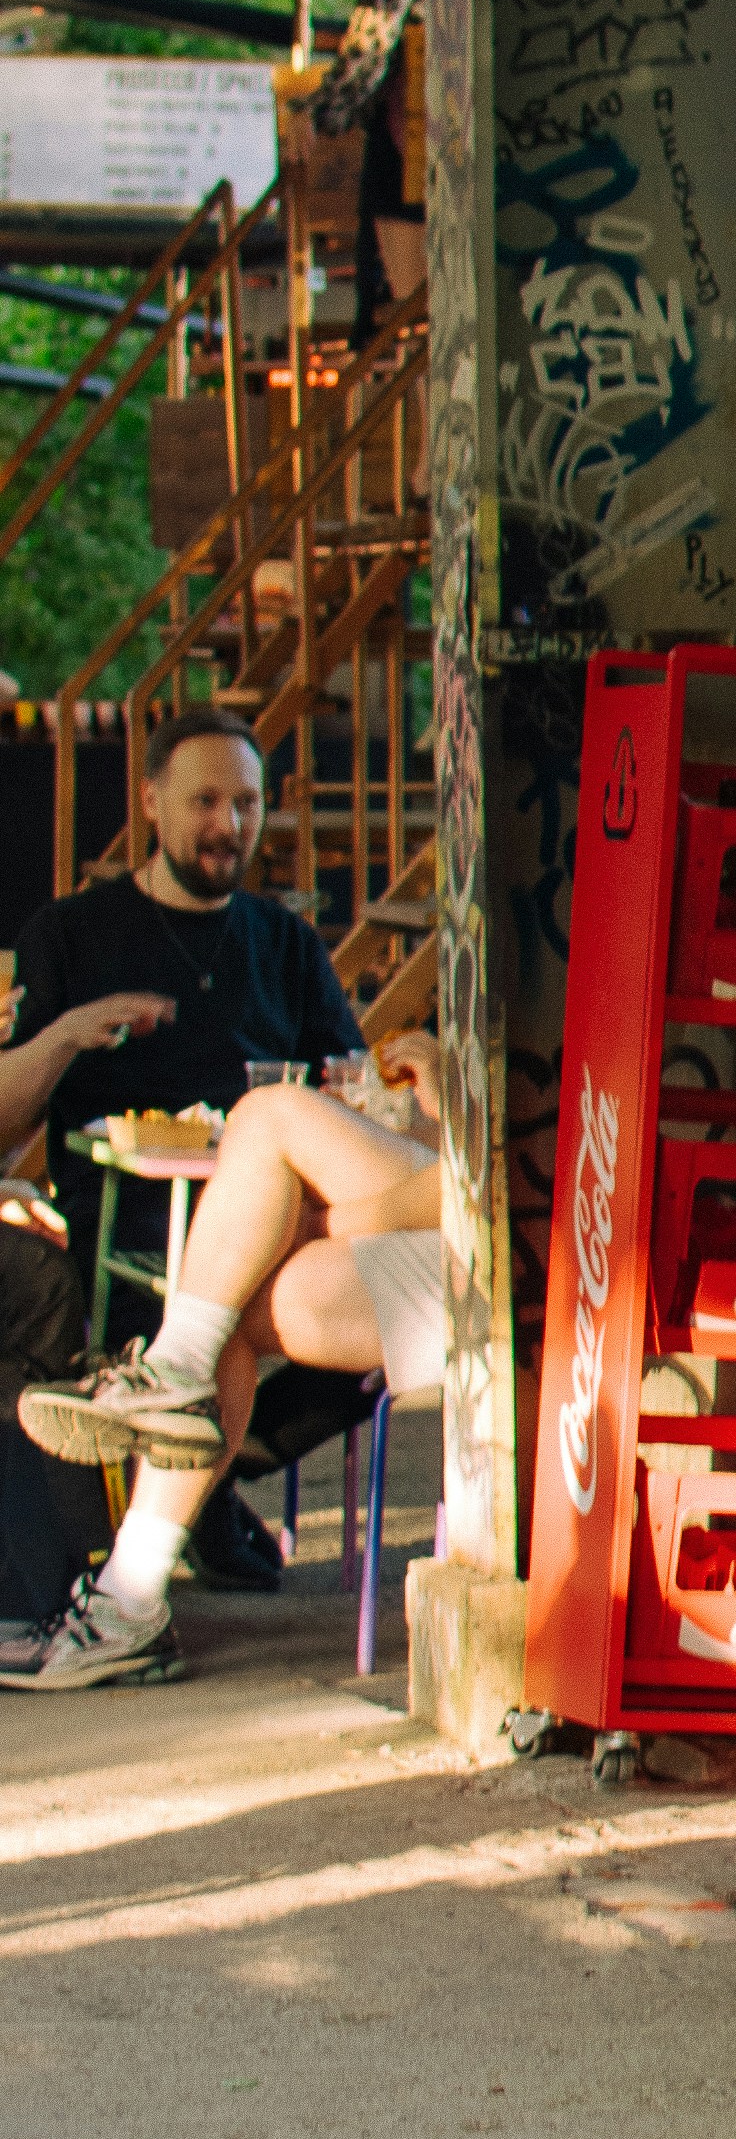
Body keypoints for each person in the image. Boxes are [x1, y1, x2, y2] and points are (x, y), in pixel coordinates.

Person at [0, 716, 372, 1635]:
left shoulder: (280, 941)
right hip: (130, 1229)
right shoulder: (72, 934)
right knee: (173, 1333)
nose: (228, 825)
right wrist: (68, 1032)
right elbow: (7, 1119)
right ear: (153, 802)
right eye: (206, 801)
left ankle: (203, 1485)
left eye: (246, 804)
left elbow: (350, 1072)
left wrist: (353, 1089)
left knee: (373, 1340)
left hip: (270, 1225)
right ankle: (184, 1501)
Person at [7, 1047, 446, 1692]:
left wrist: (332, 1219)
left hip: (529, 1259)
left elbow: (502, 1172)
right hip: (453, 1244)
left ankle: (169, 1371)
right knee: (226, 1308)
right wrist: (438, 1093)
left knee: (270, 1115)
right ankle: (128, 1604)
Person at [292, 0, 429, 342]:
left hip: (413, 99)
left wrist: (324, 107)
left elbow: (380, 15)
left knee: (397, 269)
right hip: (434, 94)